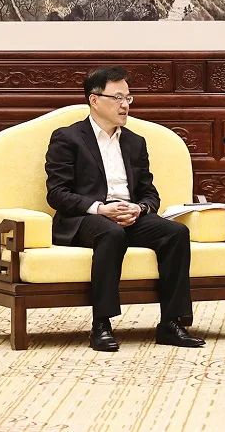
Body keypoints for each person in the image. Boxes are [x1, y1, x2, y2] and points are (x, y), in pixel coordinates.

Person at [45, 66, 205, 351]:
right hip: (86, 218)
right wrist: (100, 209)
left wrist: (140, 208)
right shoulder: (68, 138)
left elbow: (149, 193)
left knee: (175, 233)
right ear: (95, 100)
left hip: (129, 214)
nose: (125, 105)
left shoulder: (134, 142)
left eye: (128, 98)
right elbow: (57, 194)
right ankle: (101, 325)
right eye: (118, 97)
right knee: (111, 233)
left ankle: (171, 323)